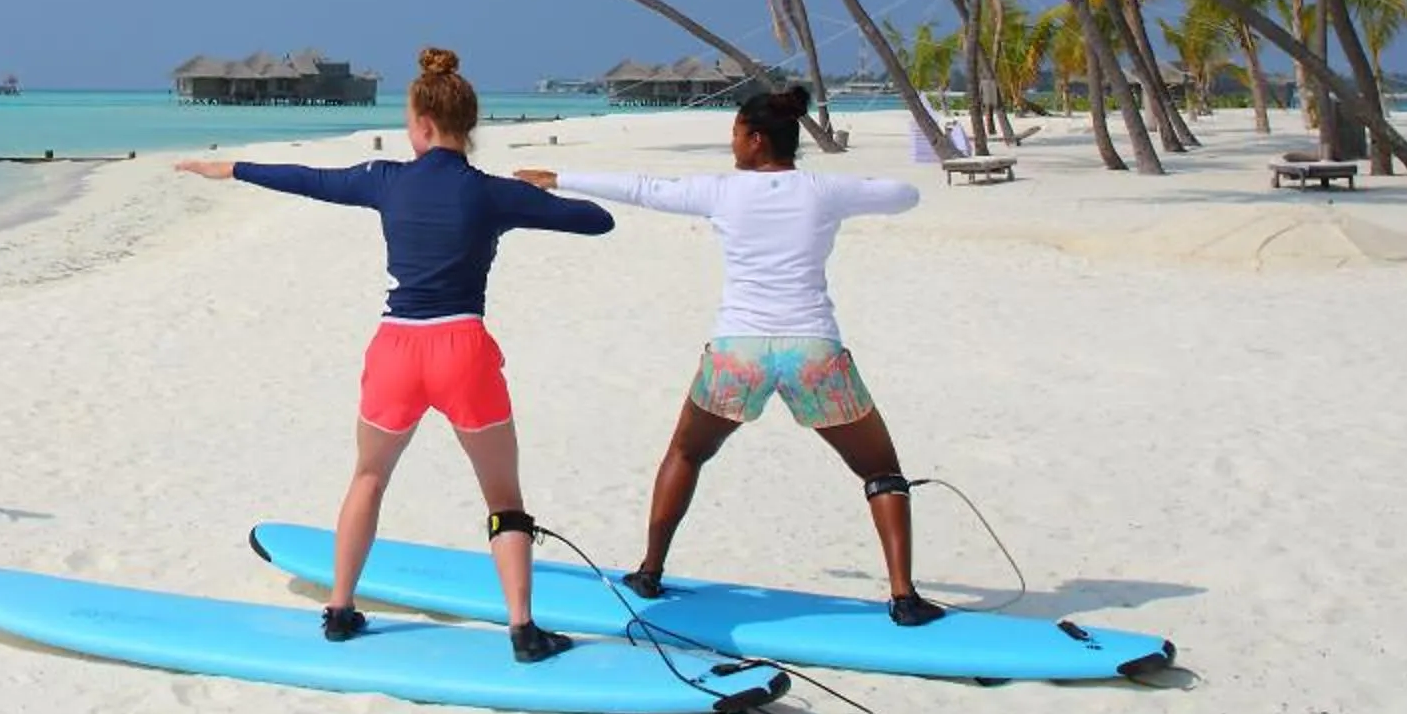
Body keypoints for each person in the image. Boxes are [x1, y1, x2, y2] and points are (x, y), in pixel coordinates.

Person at [176, 47, 616, 659]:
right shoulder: (491, 193)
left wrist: (232, 170)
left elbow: (311, 181)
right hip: (463, 349)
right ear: (467, 125)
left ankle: (339, 609)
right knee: (503, 498)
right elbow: (597, 223)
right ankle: (522, 628)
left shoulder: (385, 181)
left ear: (424, 125)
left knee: (368, 476)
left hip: (397, 350)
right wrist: (549, 187)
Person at [514, 84, 943, 624]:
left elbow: (645, 189)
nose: (733, 143)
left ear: (758, 140)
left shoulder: (723, 191)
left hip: (737, 353)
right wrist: (850, 190)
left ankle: (649, 572)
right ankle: (903, 597)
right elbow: (905, 195)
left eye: (737, 133)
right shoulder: (823, 190)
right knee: (881, 472)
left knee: (687, 454)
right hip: (812, 351)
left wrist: (562, 179)